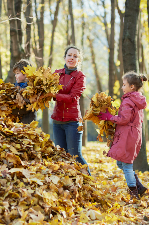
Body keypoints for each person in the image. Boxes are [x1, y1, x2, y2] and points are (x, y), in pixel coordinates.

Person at [40, 46, 91, 175]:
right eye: (69, 55)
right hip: (57, 121)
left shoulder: (80, 77)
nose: (72, 58)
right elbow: (46, 89)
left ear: (79, 60)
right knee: (61, 155)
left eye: (75, 56)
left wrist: (54, 95)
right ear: (65, 57)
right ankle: (69, 183)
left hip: (73, 122)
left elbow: (73, 97)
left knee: (75, 154)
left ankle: (90, 180)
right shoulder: (57, 73)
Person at [98, 71, 147, 199]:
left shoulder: (129, 100)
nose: (122, 87)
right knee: (121, 163)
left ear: (132, 87)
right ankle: (140, 187)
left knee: (126, 165)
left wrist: (109, 117)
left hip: (127, 135)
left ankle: (134, 193)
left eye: (124, 84)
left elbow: (124, 119)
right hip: (133, 134)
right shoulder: (137, 99)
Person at [12, 59, 36, 124]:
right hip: (15, 122)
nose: (15, 75)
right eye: (15, 73)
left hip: (27, 122)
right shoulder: (13, 87)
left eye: (17, 73)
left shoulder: (32, 88)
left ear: (25, 74)